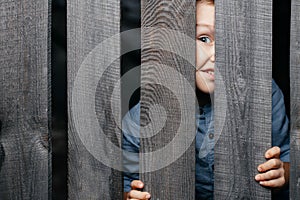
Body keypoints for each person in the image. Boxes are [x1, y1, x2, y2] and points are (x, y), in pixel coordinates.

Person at [123, 0, 290, 199]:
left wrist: (282, 174)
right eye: (204, 39)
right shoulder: (145, 113)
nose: (216, 54)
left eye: (227, 41)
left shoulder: (265, 93)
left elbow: (288, 158)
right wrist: (130, 196)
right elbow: (125, 183)